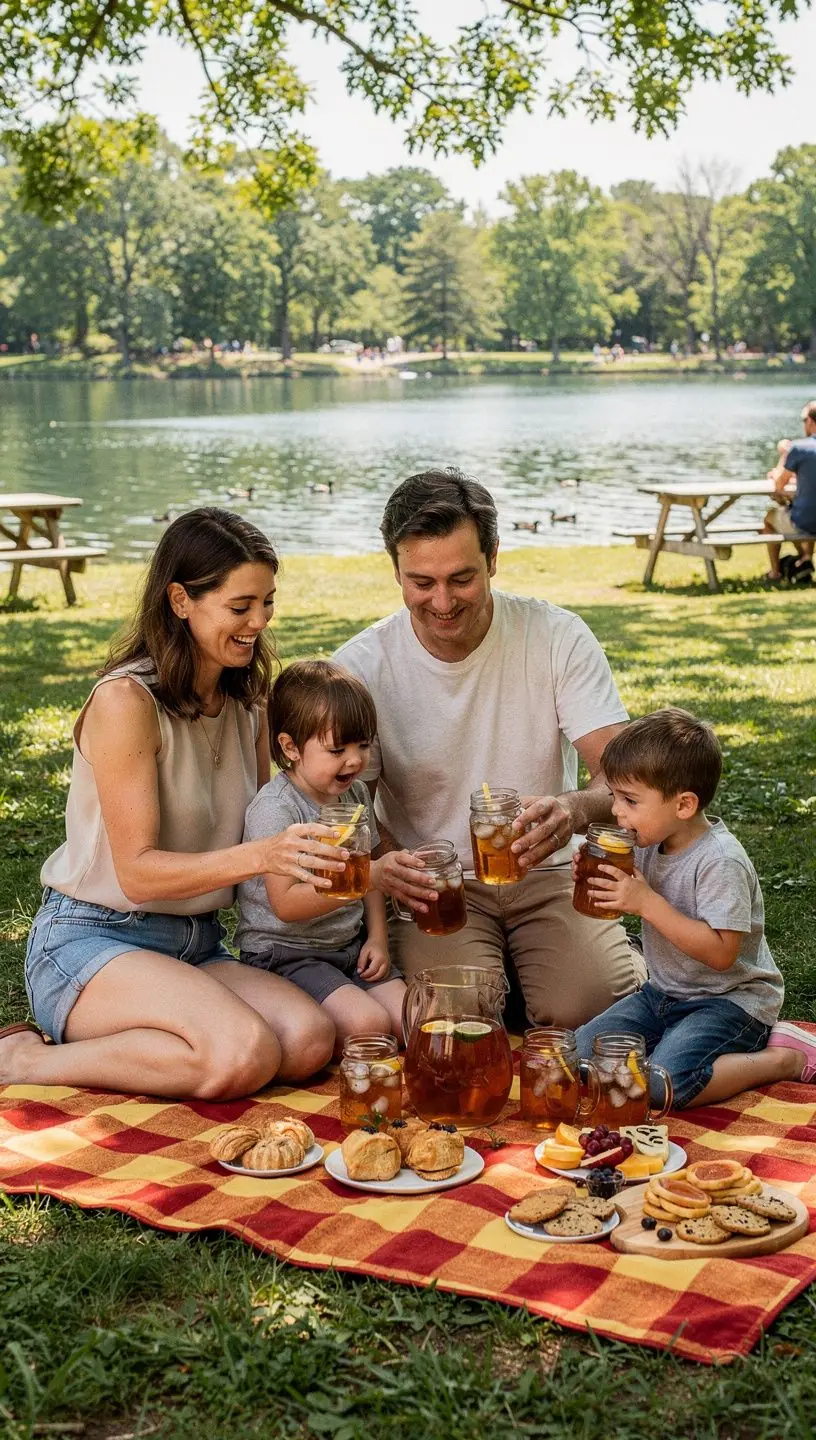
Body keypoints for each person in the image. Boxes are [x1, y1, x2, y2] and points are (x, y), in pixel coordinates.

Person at [0, 509, 348, 1098]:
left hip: (199, 943)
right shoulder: (124, 702)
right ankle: (22, 1062)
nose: (258, 623)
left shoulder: (249, 707)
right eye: (240, 608)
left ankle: (164, 1039)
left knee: (309, 1038)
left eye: (267, 604)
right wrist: (264, 855)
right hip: (94, 938)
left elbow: (278, 823)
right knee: (243, 1052)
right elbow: (137, 873)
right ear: (181, 600)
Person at [333, 468, 646, 1029]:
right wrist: (392, 862)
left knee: (593, 1017)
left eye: (462, 577)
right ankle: (508, 979)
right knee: (452, 1024)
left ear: (494, 557)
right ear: (396, 571)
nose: (443, 601)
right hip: (437, 886)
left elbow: (625, 778)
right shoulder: (361, 667)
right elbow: (349, 804)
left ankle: (577, 971)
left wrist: (572, 810)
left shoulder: (556, 637)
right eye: (421, 582)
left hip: (548, 872)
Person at [574, 709, 814, 1106]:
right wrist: (596, 880)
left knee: (662, 1085)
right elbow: (623, 904)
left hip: (731, 1001)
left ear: (684, 805)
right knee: (582, 1057)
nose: (616, 811)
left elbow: (722, 954)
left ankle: (781, 1059)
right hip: (663, 993)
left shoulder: (721, 861)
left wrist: (648, 903)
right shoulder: (648, 840)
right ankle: (674, 1046)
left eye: (630, 800)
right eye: (615, 796)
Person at [235, 661, 406, 1045]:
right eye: (337, 749)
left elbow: (372, 870)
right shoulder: (277, 810)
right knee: (369, 1026)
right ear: (290, 747)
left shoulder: (356, 794)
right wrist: (365, 878)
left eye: (363, 745)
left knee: (412, 1017)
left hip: (349, 945)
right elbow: (286, 906)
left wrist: (378, 938)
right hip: (287, 953)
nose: (355, 760)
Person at [762, 401, 816, 582]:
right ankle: (805, 559)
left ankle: (775, 573)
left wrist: (784, 456)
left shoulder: (799, 448)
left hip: (807, 521)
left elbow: (778, 485)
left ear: (809, 421)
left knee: (770, 518)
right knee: (794, 512)